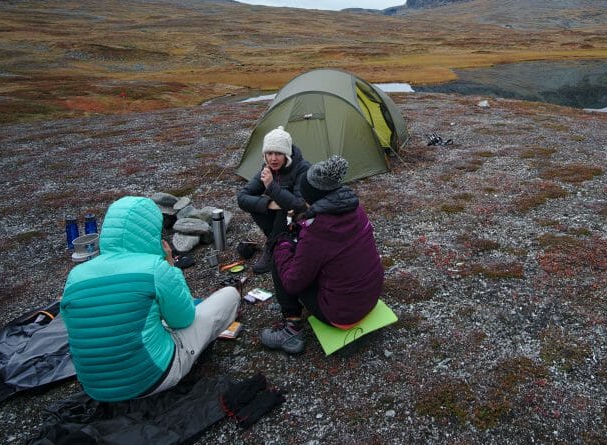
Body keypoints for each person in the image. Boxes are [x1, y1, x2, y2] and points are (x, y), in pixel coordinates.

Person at [60, 196, 240, 402]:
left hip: (94, 387)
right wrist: (170, 267)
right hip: (152, 378)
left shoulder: (76, 275)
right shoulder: (155, 268)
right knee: (229, 295)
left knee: (146, 314)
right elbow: (184, 319)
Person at [261, 155, 384, 354]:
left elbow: (293, 282)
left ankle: (291, 330)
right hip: (370, 294)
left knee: (281, 254)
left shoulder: (318, 230)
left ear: (312, 197)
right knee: (315, 258)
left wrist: (283, 244)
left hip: (343, 313)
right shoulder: (356, 209)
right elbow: (333, 247)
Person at [236, 126, 310, 274]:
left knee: (286, 206)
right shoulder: (267, 168)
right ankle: (278, 243)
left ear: (287, 154)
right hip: (281, 219)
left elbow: (300, 206)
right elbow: (242, 197)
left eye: (278, 153)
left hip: (302, 219)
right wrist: (269, 203)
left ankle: (272, 248)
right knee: (258, 204)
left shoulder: (302, 168)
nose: (273, 158)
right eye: (269, 153)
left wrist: (270, 185)